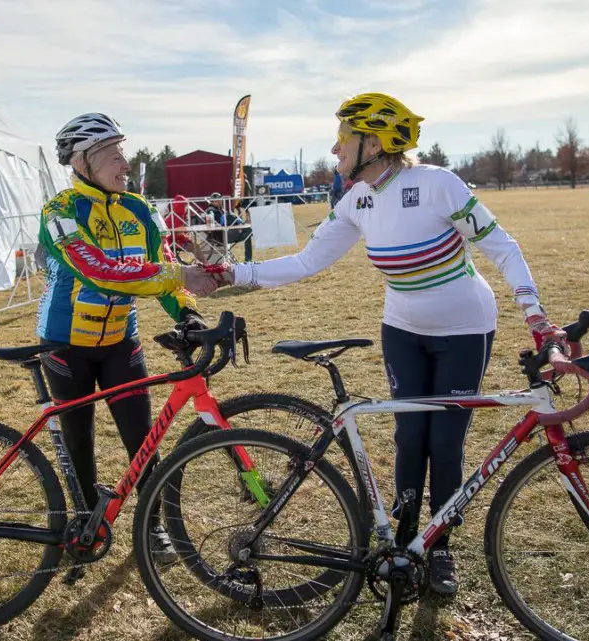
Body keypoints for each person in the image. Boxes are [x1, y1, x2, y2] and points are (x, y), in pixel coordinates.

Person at [198, 93, 566, 595]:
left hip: (465, 329)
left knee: (445, 442)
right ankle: (406, 541)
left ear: (373, 142)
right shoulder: (357, 199)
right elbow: (307, 261)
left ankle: (440, 549)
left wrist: (535, 315)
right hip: (403, 331)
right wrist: (229, 273)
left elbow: (502, 247)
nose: (334, 148)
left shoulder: (437, 184)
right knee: (409, 438)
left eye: (343, 139)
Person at [38, 112, 218, 564]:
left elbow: (158, 268)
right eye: (113, 154)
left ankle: (151, 528)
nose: (125, 162)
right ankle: (85, 522)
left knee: (143, 440)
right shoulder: (59, 211)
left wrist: (187, 313)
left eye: (123, 151)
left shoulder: (139, 209)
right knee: (79, 442)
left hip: (121, 340)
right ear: (82, 161)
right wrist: (177, 273)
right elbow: (98, 271)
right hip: (66, 344)